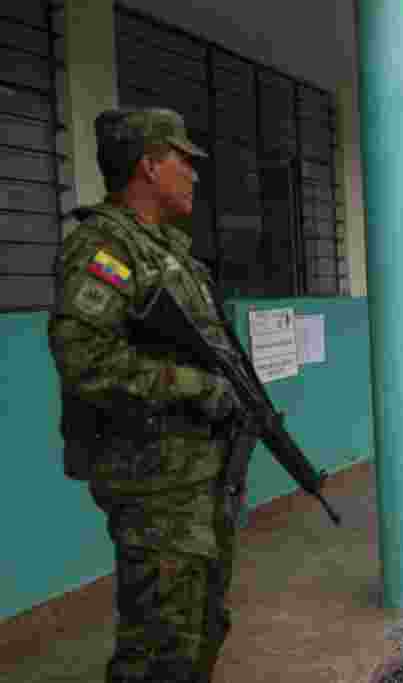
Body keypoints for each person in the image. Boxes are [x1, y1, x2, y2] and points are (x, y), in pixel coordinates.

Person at [48, 108, 244, 682]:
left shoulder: (168, 251)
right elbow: (85, 360)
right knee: (159, 642)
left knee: (200, 625)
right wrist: (200, 387)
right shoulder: (103, 248)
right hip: (153, 481)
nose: (195, 175)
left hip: (193, 475)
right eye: (185, 161)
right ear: (149, 165)